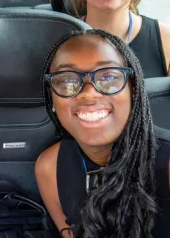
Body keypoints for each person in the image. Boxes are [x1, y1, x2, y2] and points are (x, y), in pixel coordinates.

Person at [36, 29, 170, 238]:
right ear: (52, 96)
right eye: (68, 80)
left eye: (108, 77)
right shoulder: (50, 168)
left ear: (133, 90)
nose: (89, 93)